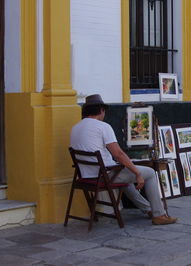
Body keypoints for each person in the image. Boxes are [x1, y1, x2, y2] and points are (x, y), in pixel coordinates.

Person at [70, 94, 177, 225]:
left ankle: (148, 208)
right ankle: (159, 215)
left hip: (87, 176)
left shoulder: (75, 128)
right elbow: (118, 154)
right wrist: (137, 173)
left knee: (125, 176)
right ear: (101, 110)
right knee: (149, 173)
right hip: (104, 176)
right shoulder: (103, 126)